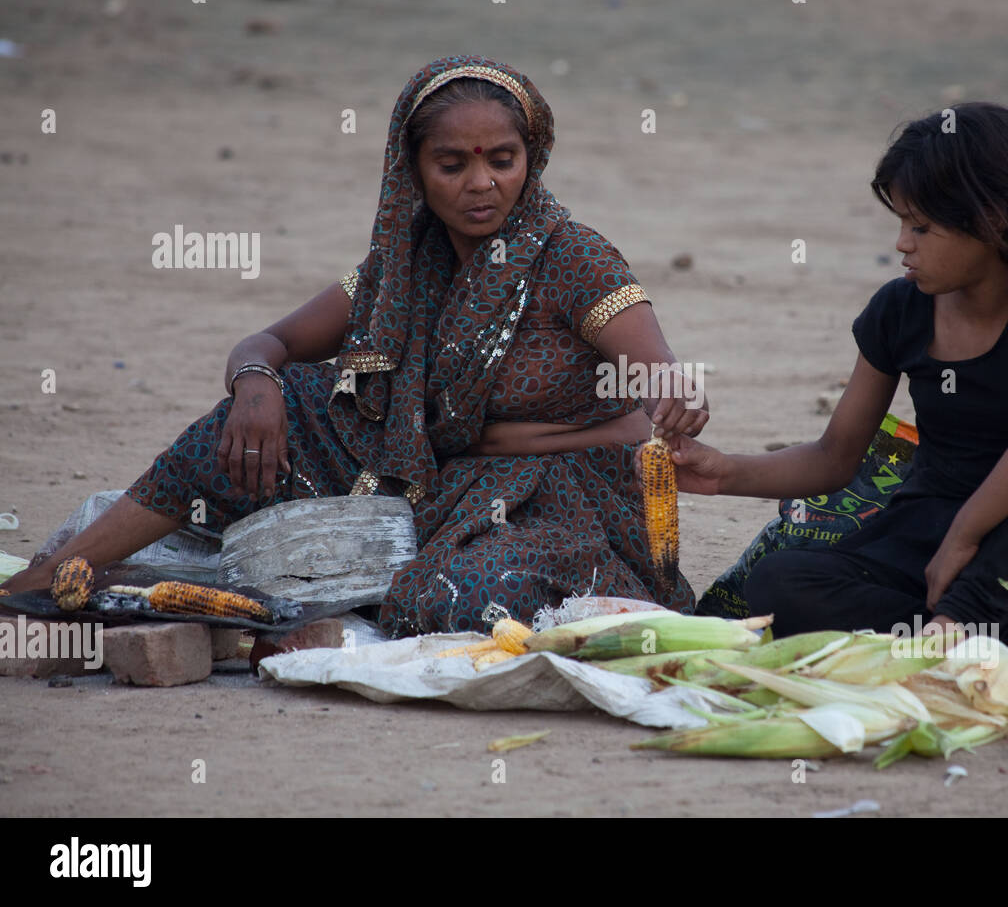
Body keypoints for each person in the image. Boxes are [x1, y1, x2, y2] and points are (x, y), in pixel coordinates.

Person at [2, 56, 704, 635]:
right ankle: (68, 570)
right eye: (453, 164)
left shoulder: (574, 257)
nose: (482, 183)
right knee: (259, 421)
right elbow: (271, 340)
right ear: (414, 172)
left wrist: (674, 398)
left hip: (555, 497)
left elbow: (656, 373)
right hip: (428, 472)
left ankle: (314, 606)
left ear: (533, 156)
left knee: (446, 603)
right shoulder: (402, 266)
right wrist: (253, 385)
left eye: (503, 159)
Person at [661, 103, 1008, 650]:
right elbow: (835, 456)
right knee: (778, 582)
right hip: (929, 545)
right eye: (902, 223)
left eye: (922, 227)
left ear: (993, 220)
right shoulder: (901, 311)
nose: (903, 243)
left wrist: (968, 532)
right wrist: (722, 473)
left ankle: (982, 618)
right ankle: (1005, 635)